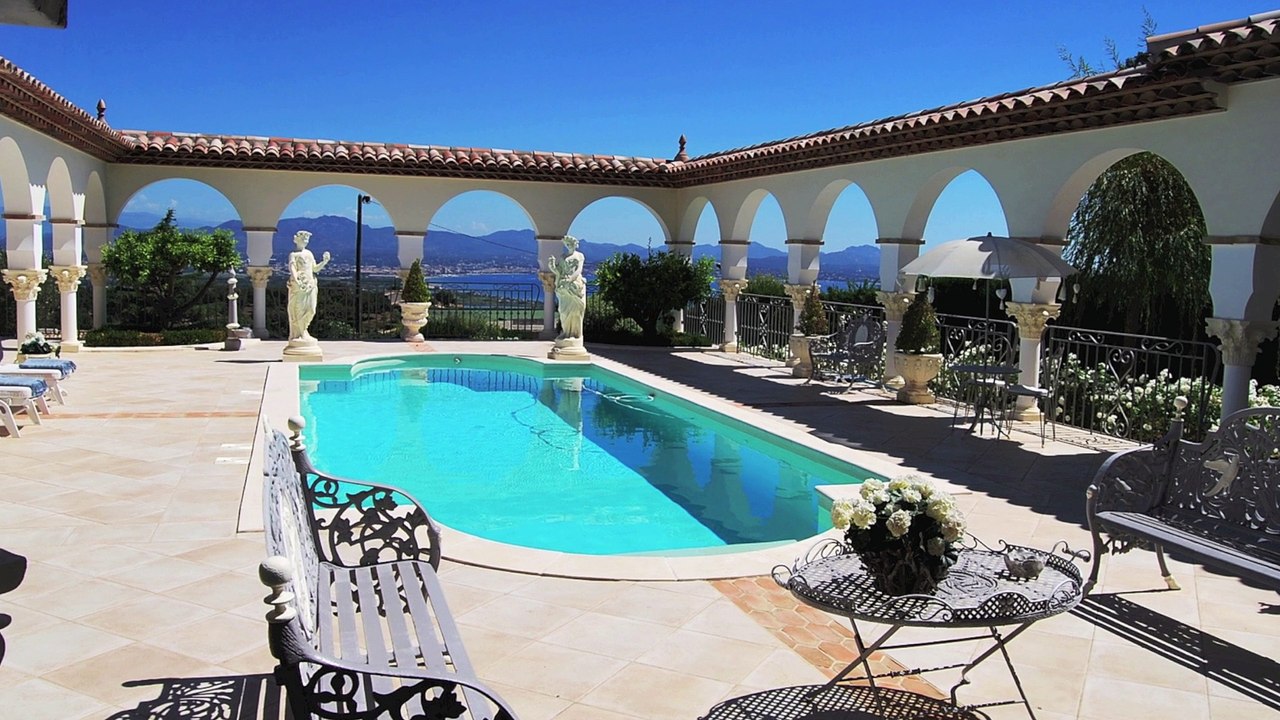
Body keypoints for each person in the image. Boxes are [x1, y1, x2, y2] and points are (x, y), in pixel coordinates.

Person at [286, 231, 331, 341]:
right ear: (297, 240)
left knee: (311, 309)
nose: (305, 241)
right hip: (299, 285)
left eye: (307, 240)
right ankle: (299, 334)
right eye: (303, 239)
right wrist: (296, 280)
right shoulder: (293, 254)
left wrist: (324, 262)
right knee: (299, 310)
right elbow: (292, 268)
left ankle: (304, 330)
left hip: (310, 285)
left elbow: (314, 269)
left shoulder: (309, 254)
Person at [549, 235, 586, 341]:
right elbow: (559, 272)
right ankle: (566, 332)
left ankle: (575, 334)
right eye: (567, 244)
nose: (569, 246)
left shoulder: (580, 256)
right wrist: (552, 267)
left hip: (575, 285)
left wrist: (570, 279)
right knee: (563, 311)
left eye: (570, 244)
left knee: (575, 311)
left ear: (575, 245)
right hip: (563, 285)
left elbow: (579, 270)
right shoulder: (562, 257)